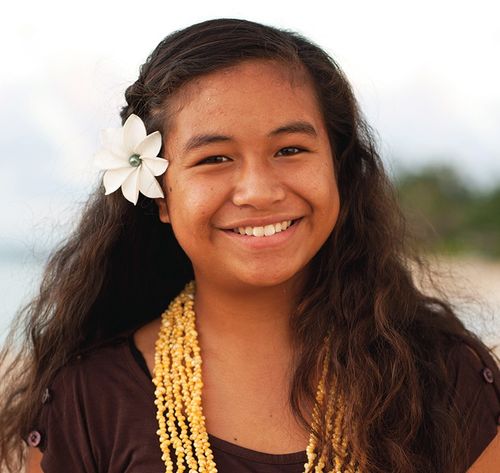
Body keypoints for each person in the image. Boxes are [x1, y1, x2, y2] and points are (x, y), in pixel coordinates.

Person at [0, 18, 499, 473]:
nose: (259, 191)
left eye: (290, 150)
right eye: (215, 158)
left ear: (338, 169)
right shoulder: (90, 400)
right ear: (161, 196)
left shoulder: (440, 375)